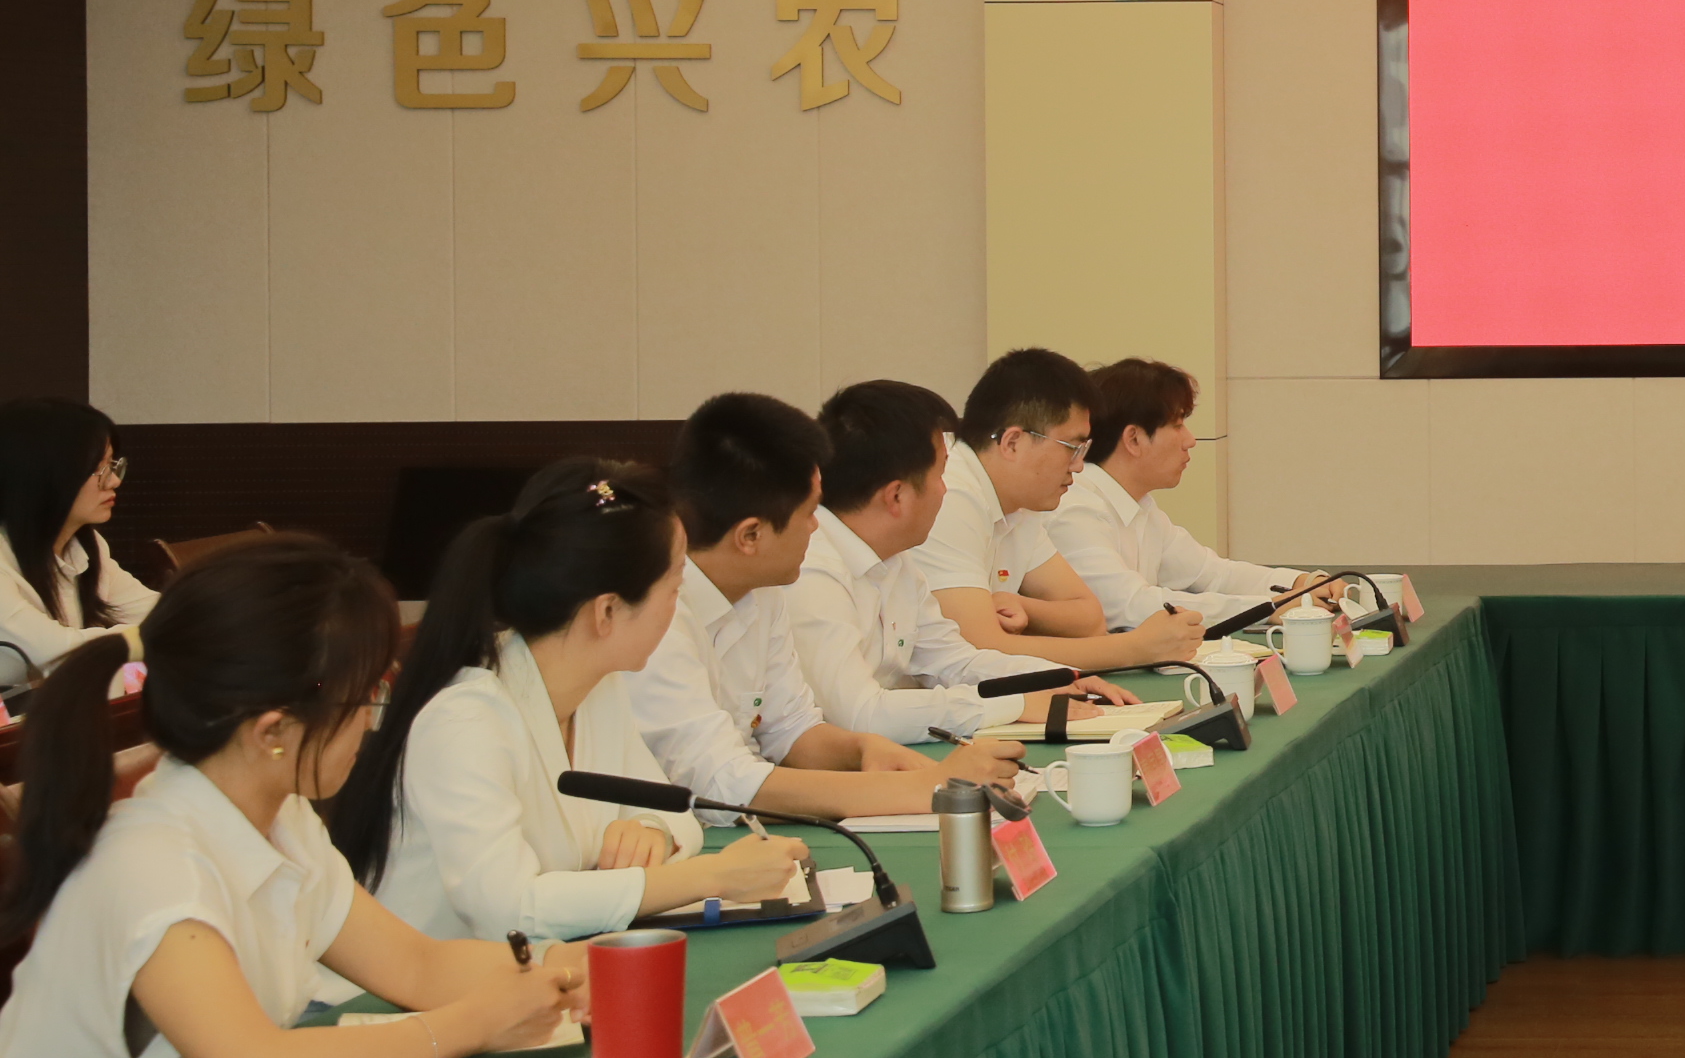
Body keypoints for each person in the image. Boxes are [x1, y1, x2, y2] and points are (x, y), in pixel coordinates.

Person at [0, 536, 583, 1058]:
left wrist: (570, 970)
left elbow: (416, 965)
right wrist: (475, 1024)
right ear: (273, 730)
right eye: (364, 699)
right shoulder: (152, 865)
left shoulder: (282, 818)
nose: (372, 722)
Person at [325, 460, 806, 944]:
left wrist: (650, 830)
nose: (677, 608)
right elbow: (511, 909)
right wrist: (711, 877)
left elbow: (679, 815)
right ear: (607, 611)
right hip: (430, 982)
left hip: (541, 969)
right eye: (674, 589)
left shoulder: (599, 688)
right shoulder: (465, 719)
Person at [626, 393, 987, 823]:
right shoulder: (653, 615)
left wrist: (861, 749)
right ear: (750, 536)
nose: (817, 527)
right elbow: (722, 784)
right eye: (810, 512)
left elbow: (791, 730)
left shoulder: (763, 589)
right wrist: (922, 788)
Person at [793, 380, 1118, 745]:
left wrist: (1057, 678)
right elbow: (861, 715)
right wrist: (1013, 704)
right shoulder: (811, 570)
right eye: (939, 475)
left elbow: (953, 661)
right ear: (896, 496)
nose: (945, 489)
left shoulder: (897, 562)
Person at [903, 349, 1203, 681]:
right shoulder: (950, 493)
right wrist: (1135, 649)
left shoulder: (1020, 500)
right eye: (1072, 447)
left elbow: (1090, 618)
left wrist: (1022, 606)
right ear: (1012, 442)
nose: (1079, 466)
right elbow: (981, 650)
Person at [1050, 359, 1310, 628]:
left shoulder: (1140, 506)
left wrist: (1304, 583)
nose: (1190, 440)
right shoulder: (1074, 507)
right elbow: (1127, 606)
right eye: (1177, 425)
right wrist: (1268, 609)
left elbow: (1212, 574)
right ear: (1133, 439)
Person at [0, 398, 156, 707]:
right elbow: (57, 650)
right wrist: (164, 632)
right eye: (98, 470)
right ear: (42, 477)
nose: (114, 481)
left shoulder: (84, 545)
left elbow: (156, 610)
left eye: (113, 465)